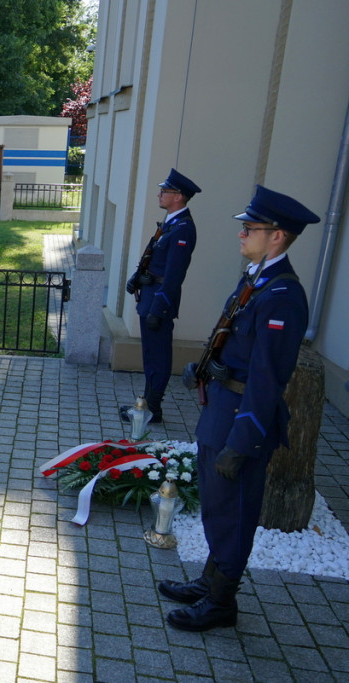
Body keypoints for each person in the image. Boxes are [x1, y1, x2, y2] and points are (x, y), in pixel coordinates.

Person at [159, 185, 319, 632]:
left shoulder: (282, 296)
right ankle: (210, 582)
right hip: (221, 412)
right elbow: (236, 343)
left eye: (250, 228)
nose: (241, 234)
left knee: (235, 513)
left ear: (278, 237)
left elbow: (267, 378)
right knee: (216, 507)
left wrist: (243, 442)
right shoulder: (255, 277)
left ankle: (221, 604)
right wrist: (205, 368)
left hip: (241, 424)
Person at [121, 168, 200, 424]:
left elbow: (175, 274)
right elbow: (154, 258)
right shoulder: (170, 223)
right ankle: (146, 402)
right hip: (151, 295)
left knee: (158, 355)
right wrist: (139, 276)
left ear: (178, 196)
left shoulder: (183, 229)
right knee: (150, 355)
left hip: (159, 301)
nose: (159, 194)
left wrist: (159, 306)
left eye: (164, 191)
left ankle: (152, 408)